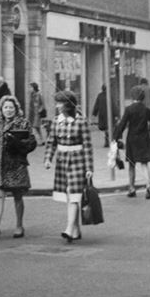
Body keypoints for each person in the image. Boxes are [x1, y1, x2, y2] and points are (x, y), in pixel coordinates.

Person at [0, 93, 36, 239]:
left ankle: (19, 225)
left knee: (17, 195)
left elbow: (32, 143)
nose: (8, 110)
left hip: (16, 165)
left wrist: (18, 144)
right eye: (5, 107)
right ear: (1, 109)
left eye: (11, 107)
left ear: (16, 109)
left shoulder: (23, 123)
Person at [44, 90, 94, 243]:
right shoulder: (56, 121)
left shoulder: (81, 121)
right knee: (69, 195)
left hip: (77, 160)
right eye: (57, 102)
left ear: (68, 104)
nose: (58, 106)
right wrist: (48, 159)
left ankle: (69, 228)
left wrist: (89, 168)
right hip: (62, 161)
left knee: (74, 195)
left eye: (60, 103)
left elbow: (87, 145)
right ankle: (76, 229)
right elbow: (51, 142)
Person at [113, 85, 150, 199]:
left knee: (132, 164)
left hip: (132, 139)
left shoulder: (129, 109)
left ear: (133, 96)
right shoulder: (147, 110)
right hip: (144, 139)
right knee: (144, 164)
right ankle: (148, 186)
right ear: (142, 97)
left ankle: (132, 188)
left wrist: (115, 137)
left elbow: (122, 124)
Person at [28, 82, 47, 146]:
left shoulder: (39, 94)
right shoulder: (31, 94)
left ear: (34, 87)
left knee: (35, 127)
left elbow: (43, 104)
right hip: (32, 113)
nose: (29, 89)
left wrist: (39, 111)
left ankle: (39, 142)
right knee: (37, 128)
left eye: (30, 87)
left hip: (37, 114)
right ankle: (42, 140)